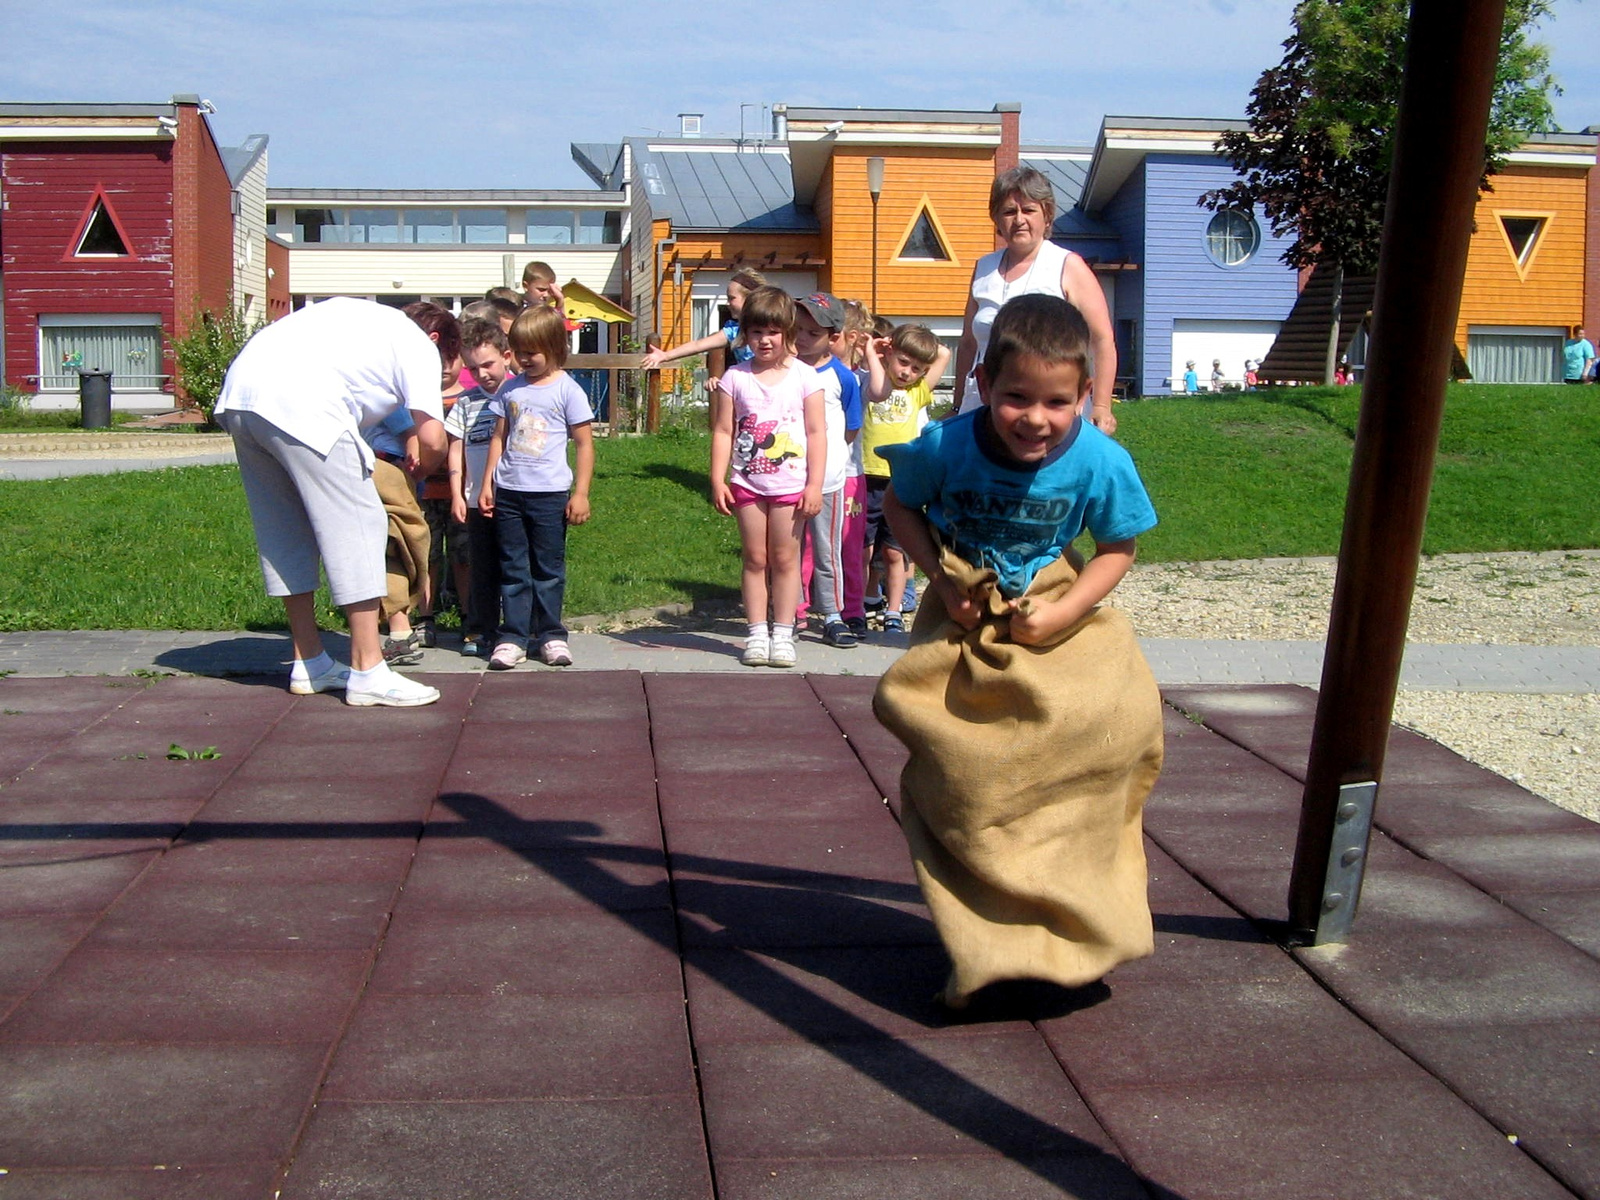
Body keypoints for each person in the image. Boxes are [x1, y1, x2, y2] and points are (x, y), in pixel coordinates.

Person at [872, 293, 1162, 1009]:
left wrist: (1063, 610)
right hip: (964, 602)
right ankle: (989, 938)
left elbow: (1117, 547)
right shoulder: (947, 445)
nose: (1036, 418)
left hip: (1053, 600)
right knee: (967, 773)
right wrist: (940, 578)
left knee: (1112, 724)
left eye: (1058, 401)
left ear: (1085, 395)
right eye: (1016, 398)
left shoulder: (1098, 458)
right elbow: (899, 505)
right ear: (983, 387)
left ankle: (1077, 922)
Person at [213, 297, 452, 707]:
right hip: (305, 400)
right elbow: (432, 439)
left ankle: (310, 661)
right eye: (451, 366)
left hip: (241, 394)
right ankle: (368, 668)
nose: (448, 375)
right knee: (360, 524)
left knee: (285, 529)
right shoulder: (418, 345)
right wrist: (424, 469)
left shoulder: (367, 325)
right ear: (437, 340)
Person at [708, 285, 826, 668]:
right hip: (747, 484)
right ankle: (757, 632)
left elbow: (816, 433)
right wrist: (717, 479)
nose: (764, 340)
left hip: (791, 486)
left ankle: (783, 632)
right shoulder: (735, 378)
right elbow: (724, 431)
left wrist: (814, 484)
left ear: (787, 333)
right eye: (756, 332)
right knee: (755, 558)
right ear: (745, 334)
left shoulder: (806, 378)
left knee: (785, 558)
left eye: (772, 332)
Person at [953, 166, 1117, 433]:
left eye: (1028, 210)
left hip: (1046, 412)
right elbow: (969, 343)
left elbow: (1102, 340)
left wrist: (1101, 406)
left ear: (1047, 216)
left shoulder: (1067, 265)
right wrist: (958, 403)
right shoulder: (983, 268)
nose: (1019, 219)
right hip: (983, 405)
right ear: (997, 219)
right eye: (1009, 211)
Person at [479, 304, 595, 669]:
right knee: (513, 566)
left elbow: (584, 444)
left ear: (555, 348)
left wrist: (580, 493)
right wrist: (488, 483)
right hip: (510, 491)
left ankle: (551, 635)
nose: (523, 359)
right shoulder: (510, 390)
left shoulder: (568, 390)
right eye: (518, 352)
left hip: (549, 494)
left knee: (547, 568)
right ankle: (512, 636)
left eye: (532, 352)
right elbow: (499, 437)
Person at [861, 324, 951, 636]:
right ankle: (863, 599)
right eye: (903, 363)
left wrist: (915, 344)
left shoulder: (919, 392)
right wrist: (880, 350)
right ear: (890, 355)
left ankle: (894, 610)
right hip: (869, 474)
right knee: (865, 547)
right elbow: (875, 378)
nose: (908, 373)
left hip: (901, 479)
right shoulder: (875, 381)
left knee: (895, 550)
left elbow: (944, 352)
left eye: (917, 369)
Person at [794, 293, 863, 648]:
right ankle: (788, 611)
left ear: (833, 337)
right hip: (787, 477)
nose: (802, 338)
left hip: (829, 480)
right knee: (786, 550)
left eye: (812, 332)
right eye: (798, 329)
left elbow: (852, 427)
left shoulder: (842, 377)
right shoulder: (784, 370)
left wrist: (830, 459)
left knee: (826, 550)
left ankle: (833, 615)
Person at [448, 318, 514, 656]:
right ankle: (480, 629)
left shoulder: (520, 393)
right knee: (481, 567)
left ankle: (518, 628)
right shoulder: (466, 402)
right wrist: (458, 491)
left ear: (506, 355)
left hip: (514, 496)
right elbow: (456, 447)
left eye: (488, 364)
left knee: (515, 566)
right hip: (475, 498)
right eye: (473, 368)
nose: (482, 374)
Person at [640, 269, 766, 391]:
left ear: (750, 299)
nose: (727, 303)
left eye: (731, 298)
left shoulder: (773, 329)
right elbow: (697, 345)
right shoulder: (734, 331)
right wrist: (665, 355)